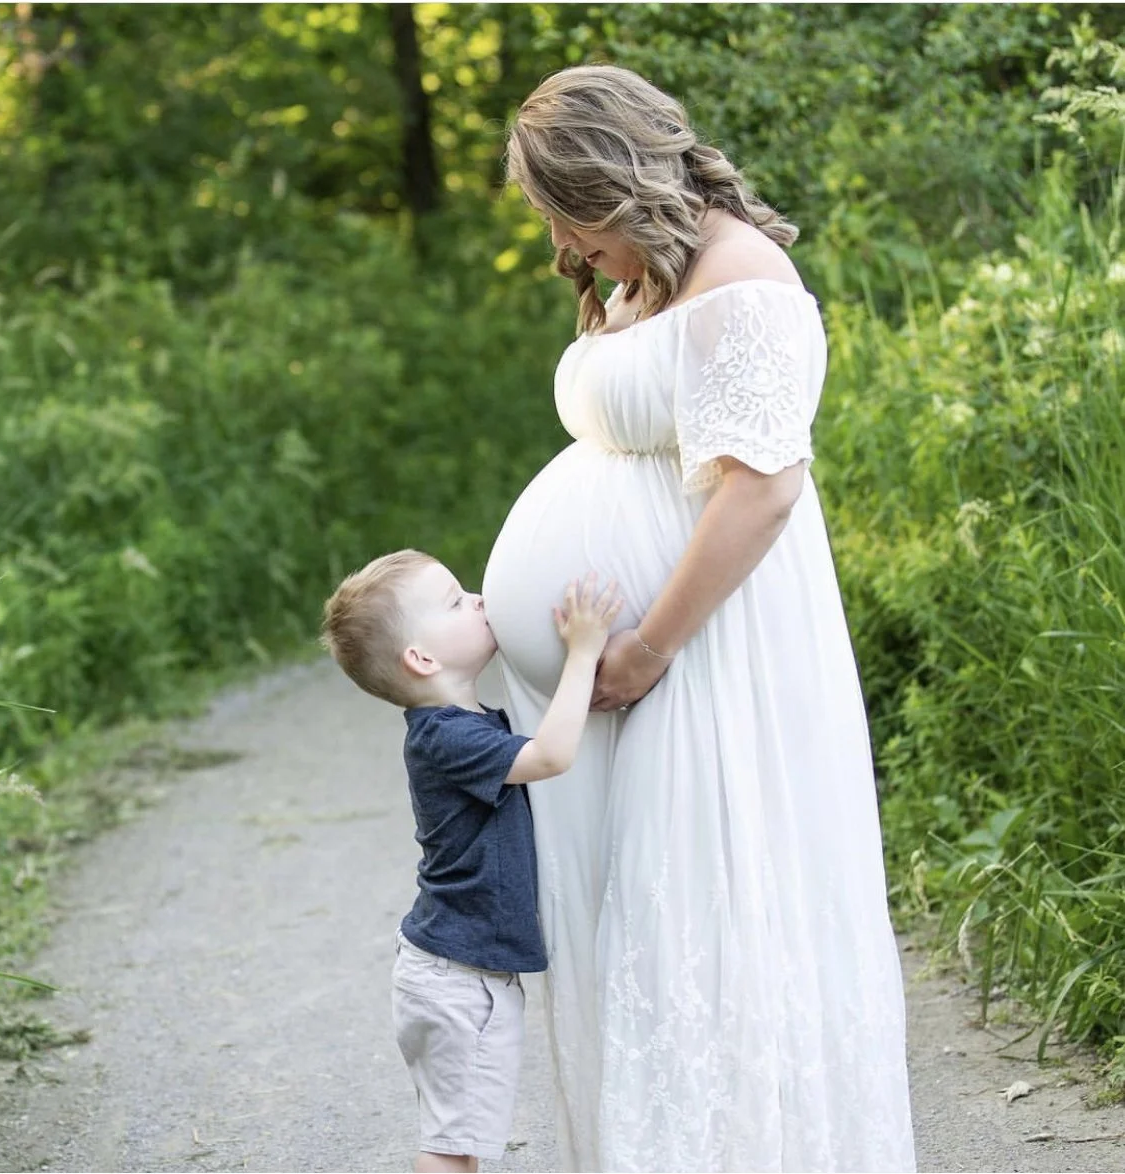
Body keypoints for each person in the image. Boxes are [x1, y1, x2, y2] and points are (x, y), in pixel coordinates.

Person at [481, 64, 917, 1172]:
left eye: (567, 221)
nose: (568, 252)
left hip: (711, 656)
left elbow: (761, 485)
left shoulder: (746, 280)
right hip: (634, 669)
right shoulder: (642, 282)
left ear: (613, 181)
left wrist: (643, 649)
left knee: (712, 917)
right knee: (648, 930)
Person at [321, 550, 622, 1173]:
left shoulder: (467, 723)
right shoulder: (445, 738)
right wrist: (584, 651)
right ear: (422, 659)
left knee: (461, 1137)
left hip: (458, 975)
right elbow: (550, 756)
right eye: (456, 601)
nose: (480, 599)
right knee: (454, 1149)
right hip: (459, 984)